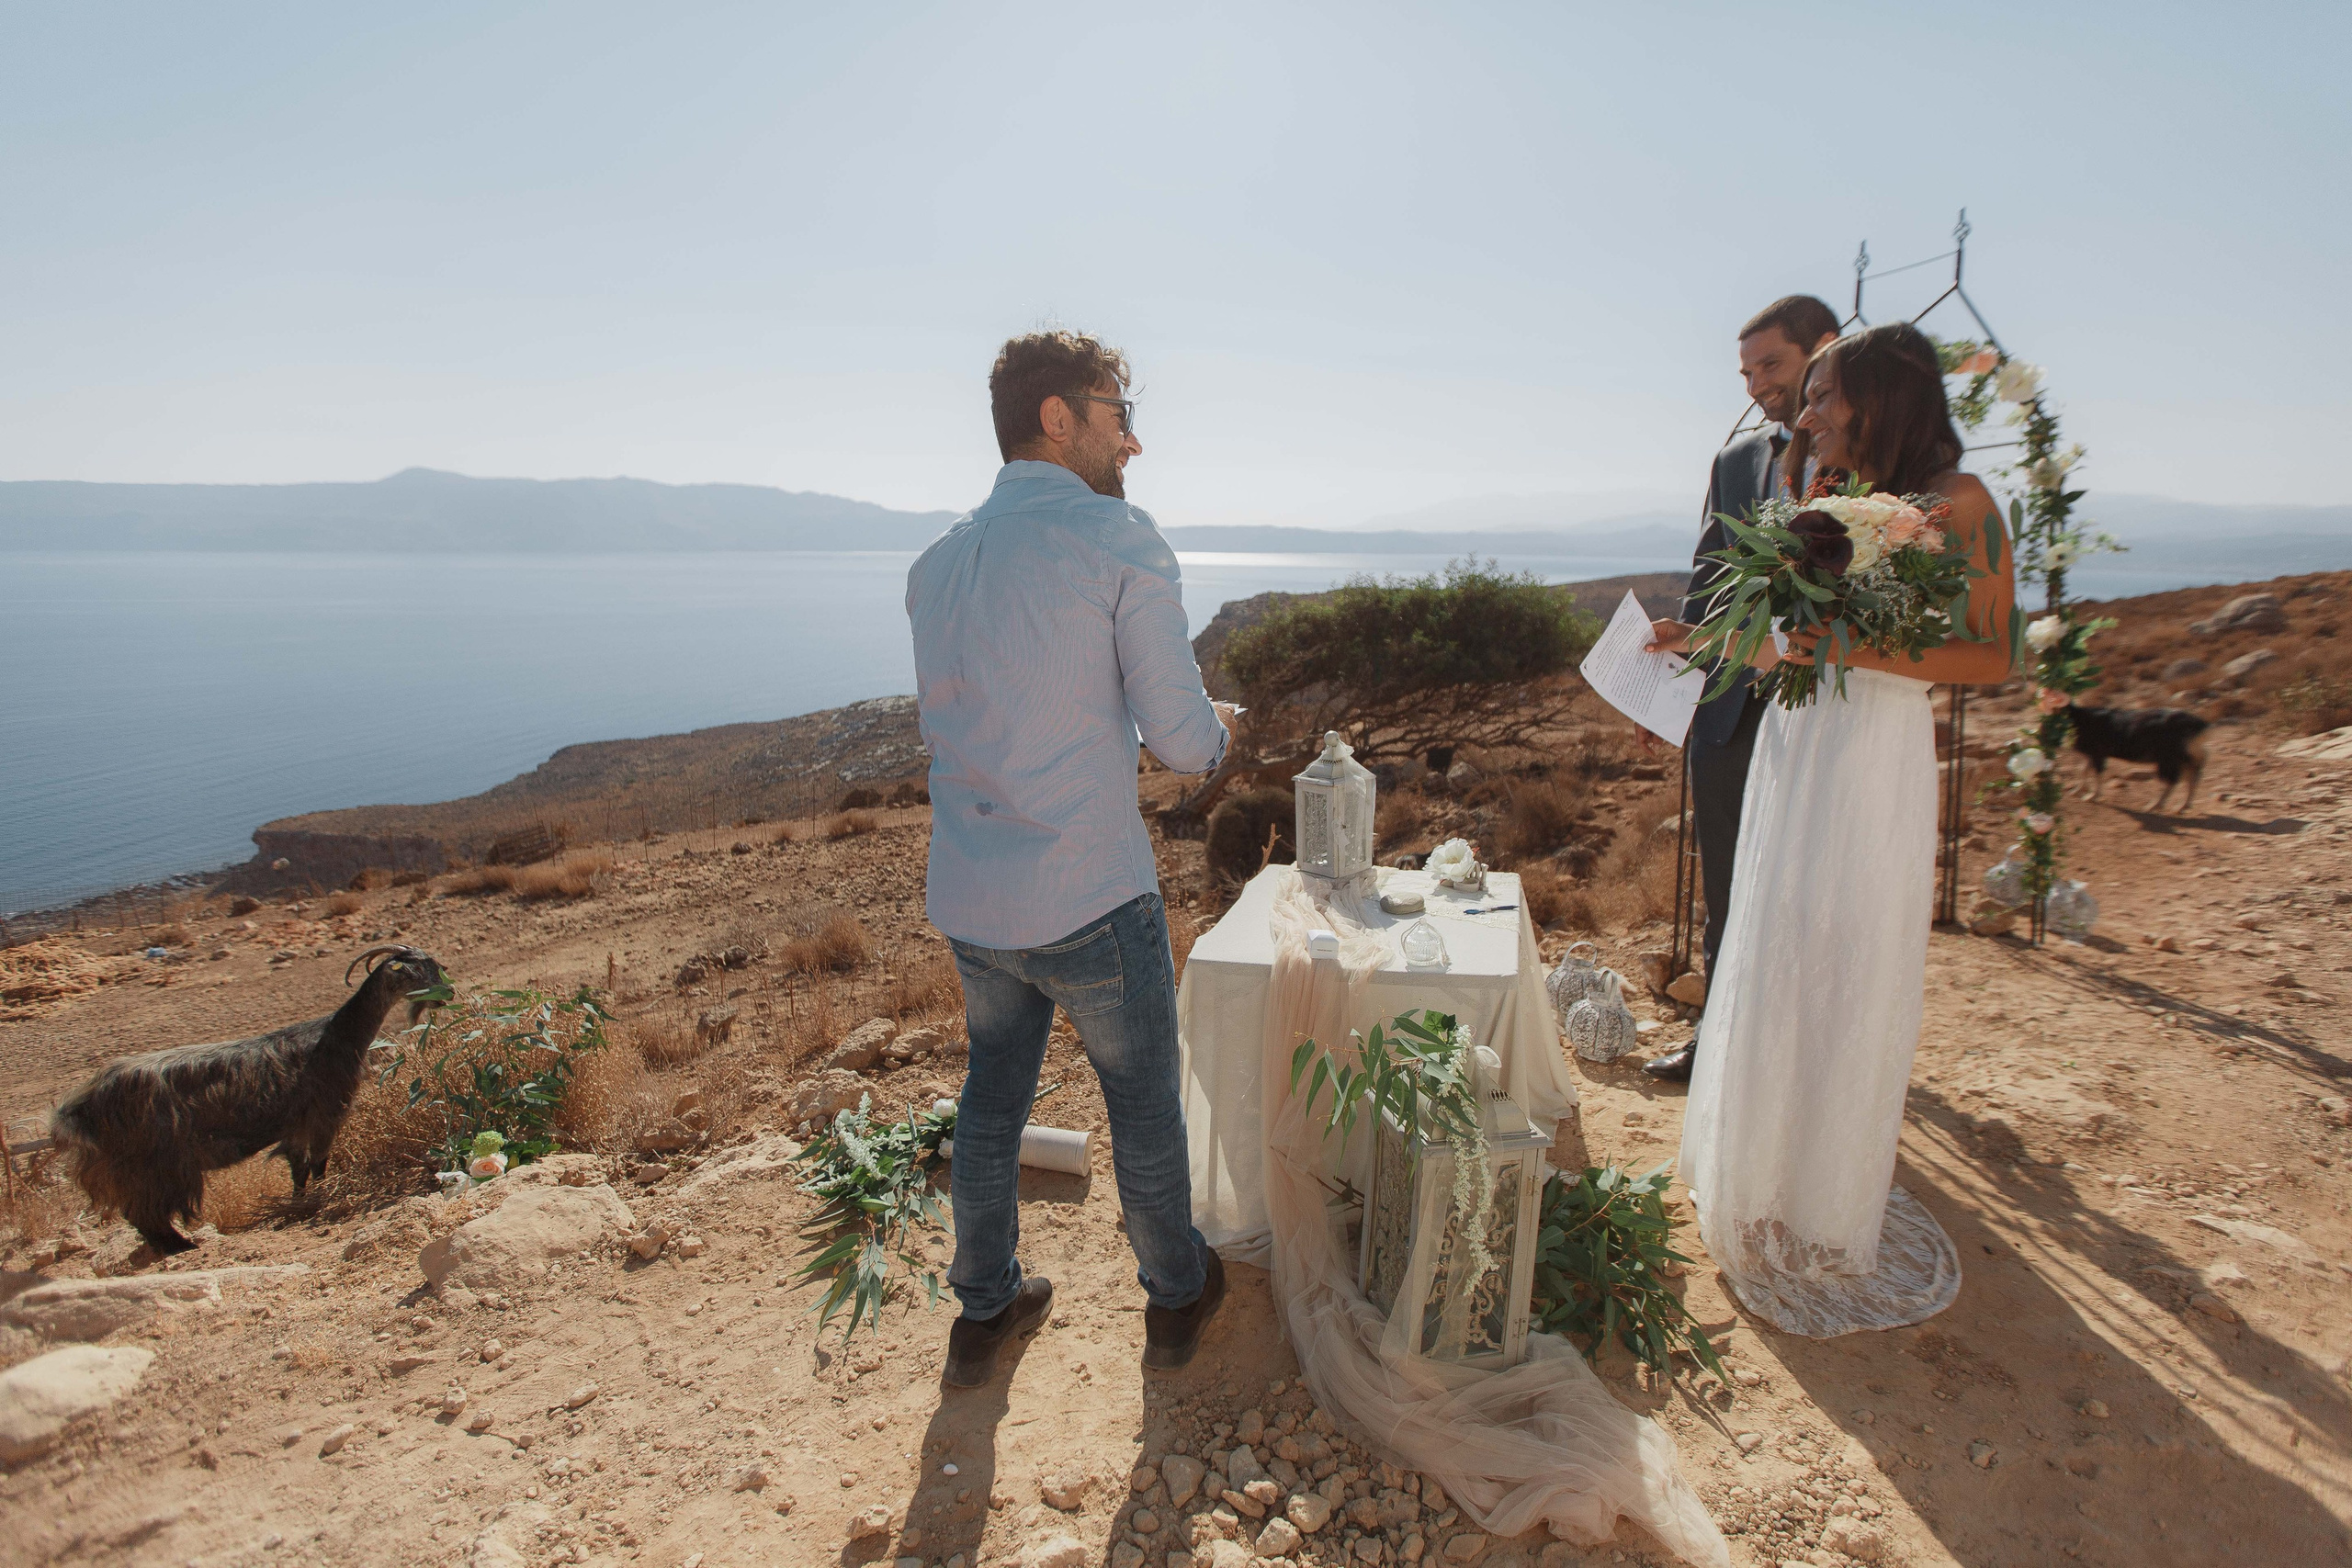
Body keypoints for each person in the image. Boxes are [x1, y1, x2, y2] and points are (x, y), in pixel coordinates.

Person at [1647, 321, 2016, 1337]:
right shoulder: (1830, 505)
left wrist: (1858, 646)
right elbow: (1792, 634)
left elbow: (1989, 659)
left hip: (1872, 763)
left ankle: (1824, 1198)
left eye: (1822, 397)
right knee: (1777, 943)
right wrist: (1710, 637)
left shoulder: (1964, 507)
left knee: (1848, 956)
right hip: (1797, 749)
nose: (1803, 417)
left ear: (1880, 401)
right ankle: (1757, 1170)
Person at [906, 329, 1237, 1387]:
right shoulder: (1116, 540)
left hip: (973, 896)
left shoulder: (936, 563)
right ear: (1059, 418)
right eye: (1119, 413)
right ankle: (1177, 1295)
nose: (1133, 443)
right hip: (1090, 893)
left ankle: (984, 1305)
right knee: (1140, 1103)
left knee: (992, 1099)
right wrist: (1224, 728)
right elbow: (1183, 744)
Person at [1643, 294, 1840, 1084]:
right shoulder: (1737, 461)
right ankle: (1716, 1043)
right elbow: (1708, 582)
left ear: (1823, 349)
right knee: (1726, 884)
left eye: (1773, 366)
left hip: (1822, 709)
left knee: (1810, 886)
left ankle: (1807, 1059)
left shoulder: (1863, 463)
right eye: (1748, 371)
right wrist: (1670, 697)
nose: (1757, 385)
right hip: (1728, 706)